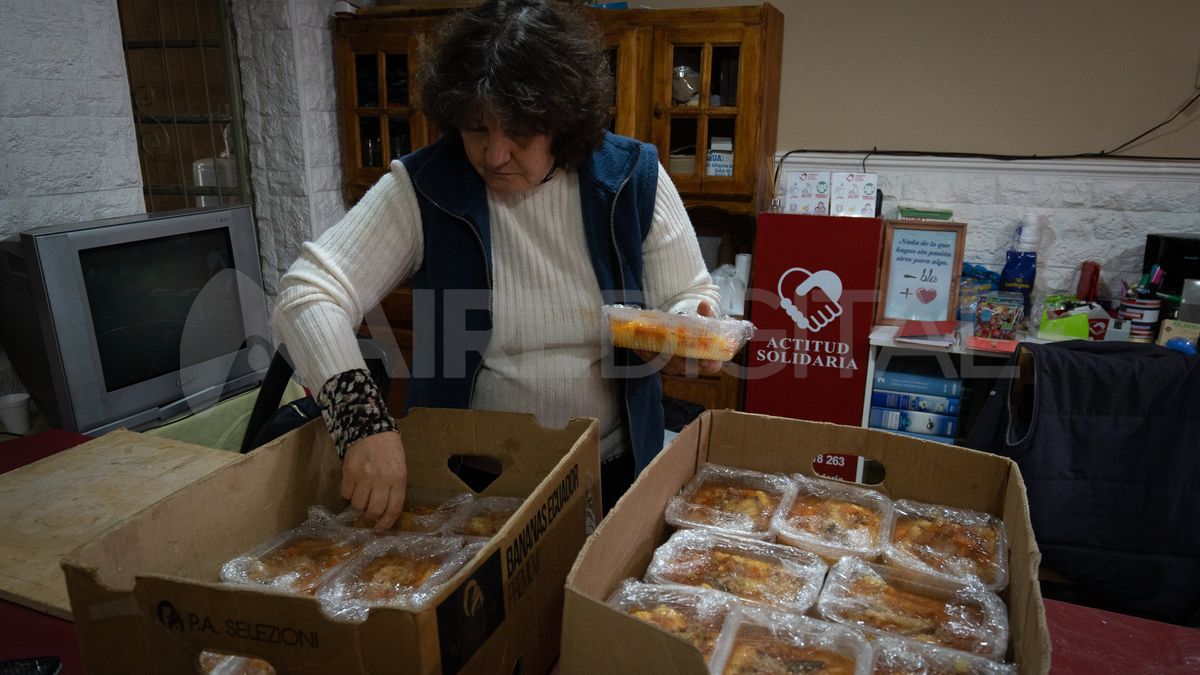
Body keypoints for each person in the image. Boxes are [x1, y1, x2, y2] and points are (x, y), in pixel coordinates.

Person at [273, 0, 720, 531]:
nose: (494, 155)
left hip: (614, 473)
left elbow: (688, 295)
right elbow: (307, 292)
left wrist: (693, 318)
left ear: (563, 121)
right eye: (476, 129)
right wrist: (362, 422)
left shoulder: (630, 177)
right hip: (471, 488)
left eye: (521, 133)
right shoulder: (425, 187)